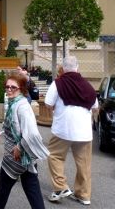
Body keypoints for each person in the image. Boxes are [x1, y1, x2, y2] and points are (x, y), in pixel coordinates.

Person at [0, 71, 49, 209]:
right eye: (7, 87)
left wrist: (20, 147)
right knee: (24, 183)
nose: (9, 90)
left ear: (21, 89)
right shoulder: (13, 103)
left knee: (11, 181)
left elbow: (32, 133)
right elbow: (15, 127)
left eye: (13, 87)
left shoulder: (22, 106)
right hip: (15, 155)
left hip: (19, 155)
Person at [45, 56, 98, 206]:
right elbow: (95, 108)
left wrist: (57, 109)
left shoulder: (58, 83)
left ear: (63, 68)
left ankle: (60, 187)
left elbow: (48, 104)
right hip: (84, 132)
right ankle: (83, 195)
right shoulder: (88, 85)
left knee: (54, 156)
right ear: (77, 67)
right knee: (84, 164)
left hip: (63, 129)